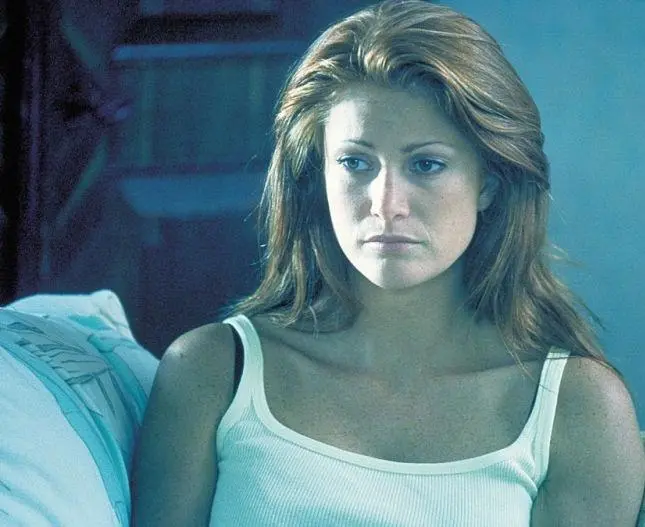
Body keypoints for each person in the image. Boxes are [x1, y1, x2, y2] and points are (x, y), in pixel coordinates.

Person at [129, 1, 645, 525]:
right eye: (355, 162)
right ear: (317, 177)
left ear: (488, 184)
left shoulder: (576, 407)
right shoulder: (212, 373)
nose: (385, 203)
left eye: (426, 164)